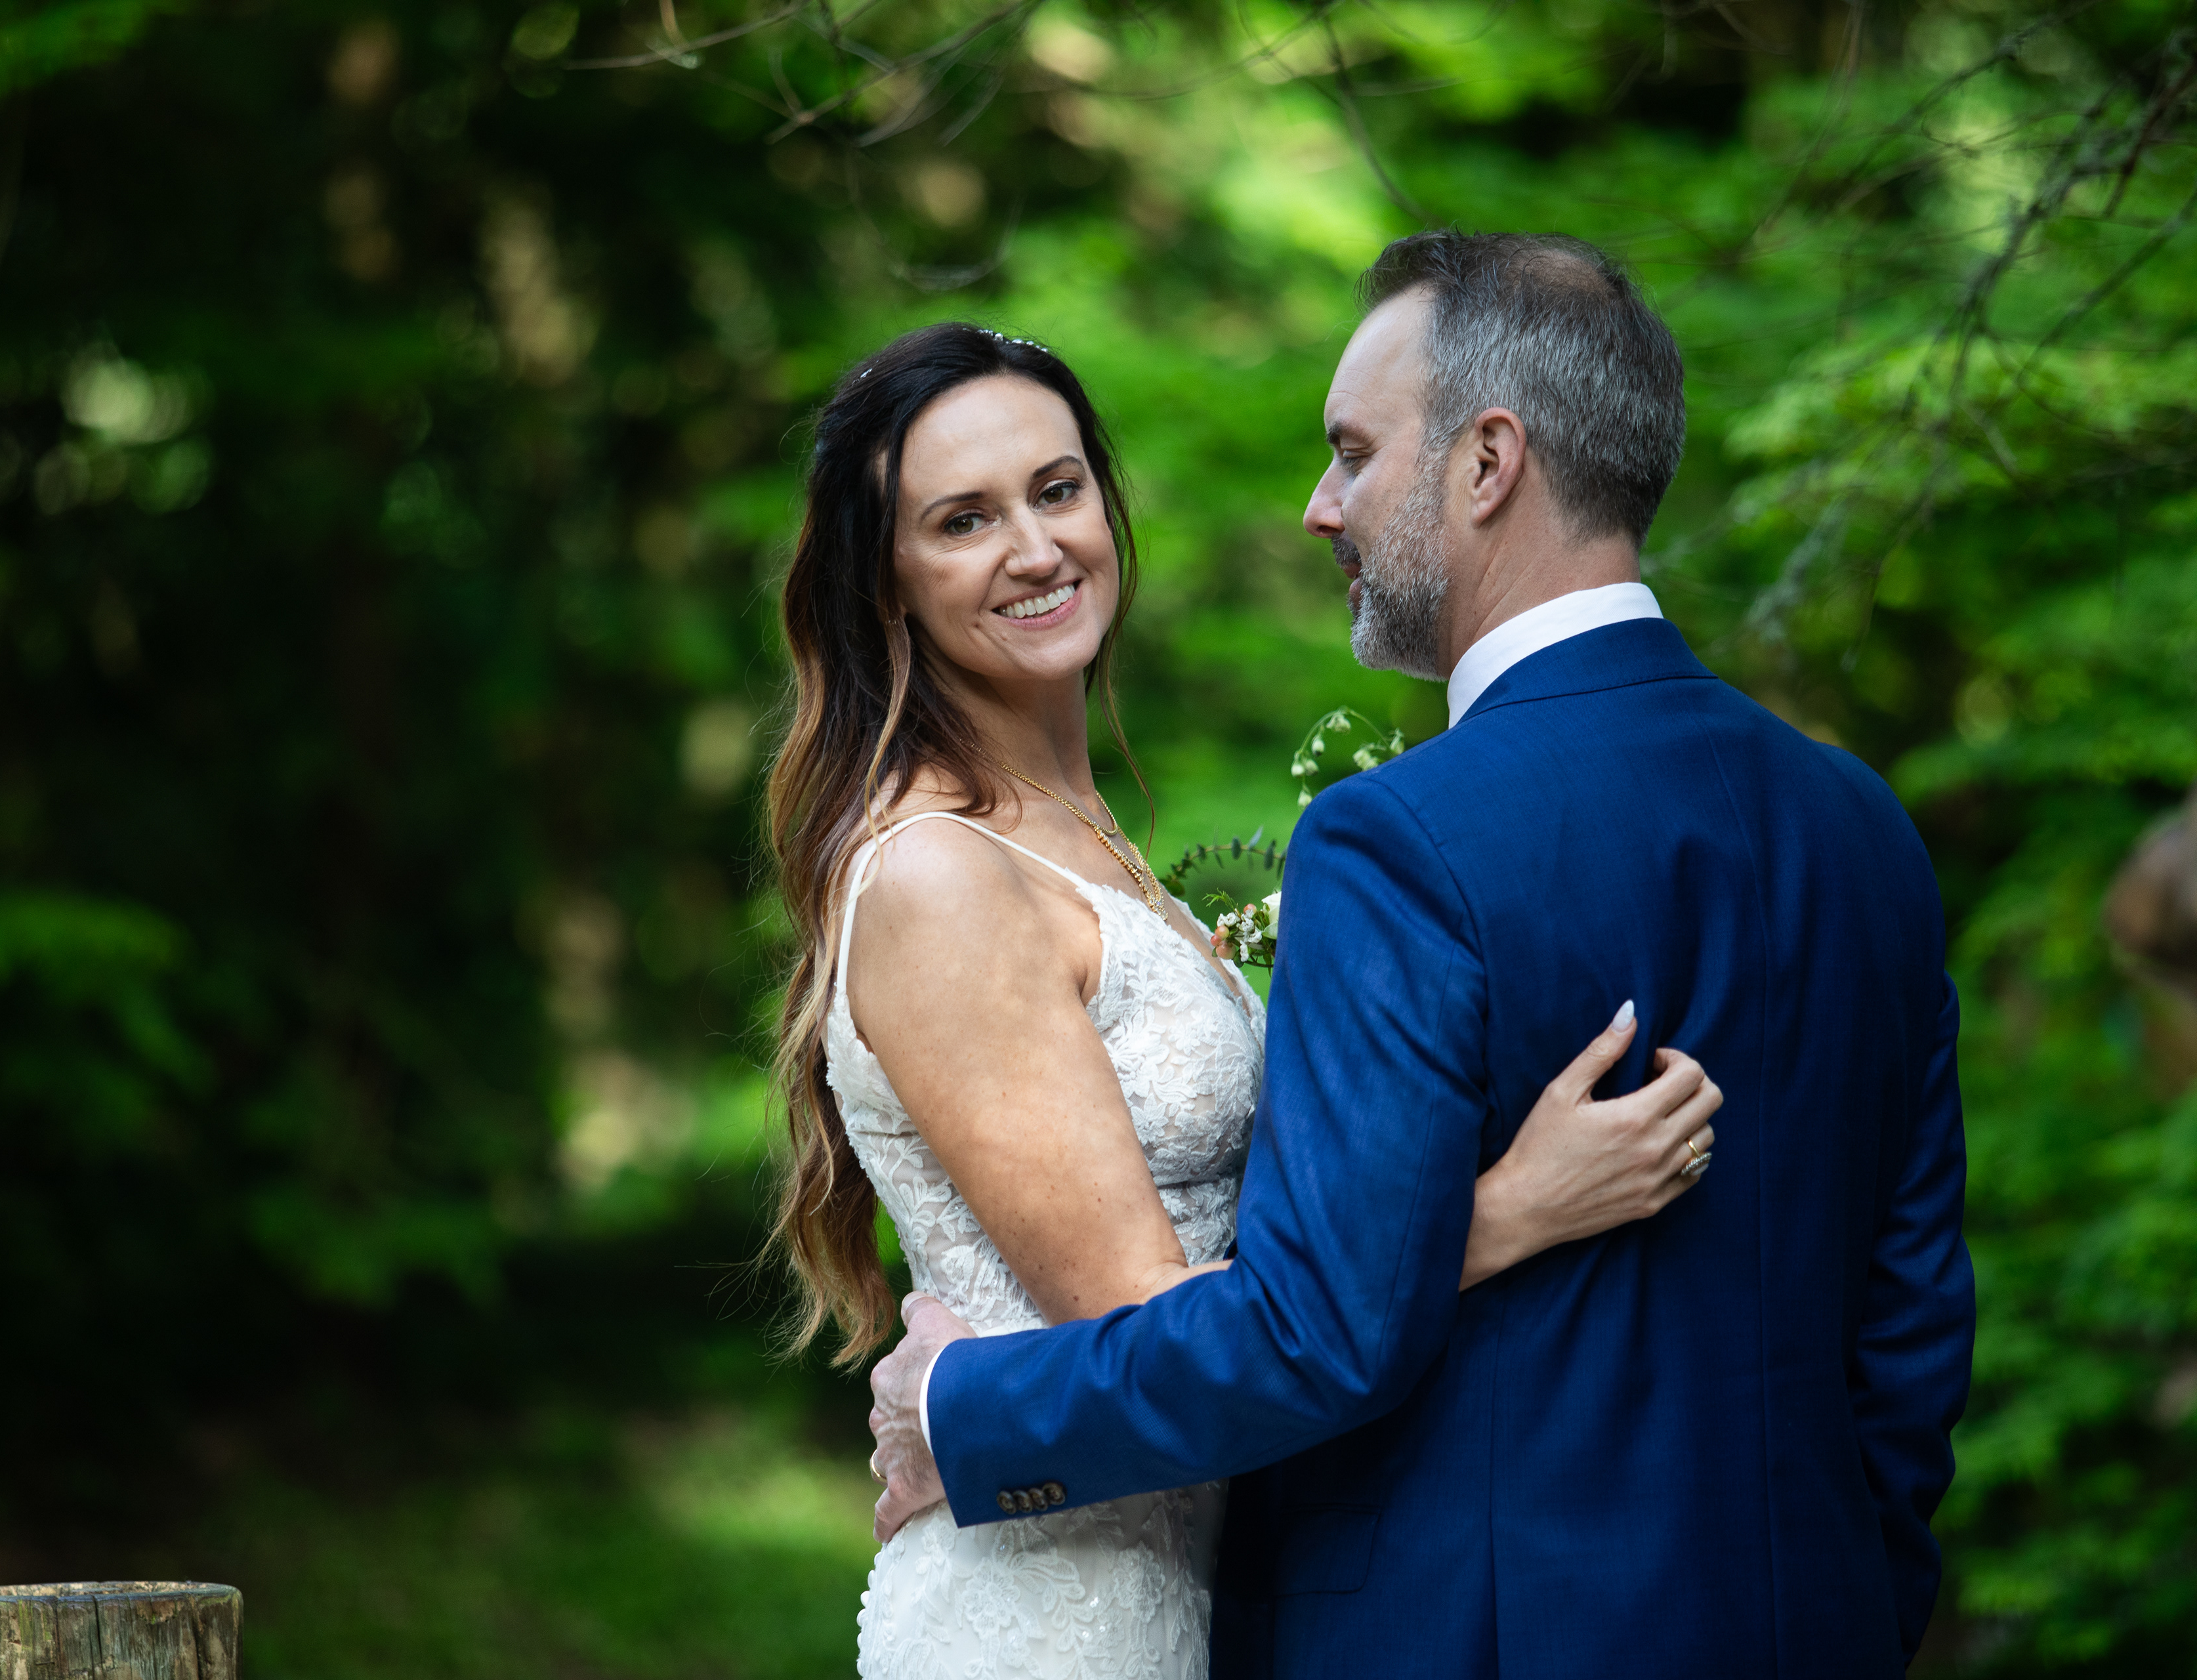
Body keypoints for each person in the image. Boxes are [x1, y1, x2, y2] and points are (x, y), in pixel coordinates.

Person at [864, 236, 1977, 1679]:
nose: (1322, 506)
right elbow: (1912, 1327)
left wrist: (967, 1412)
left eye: (1354, 451)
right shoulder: (1862, 829)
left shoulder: (1404, 843)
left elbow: (1319, 1330)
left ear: (1487, 462)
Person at [765, 317, 1726, 1680]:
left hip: (1209, 1577)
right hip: (1059, 1615)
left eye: (1057, 489)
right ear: (887, 586)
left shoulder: (1082, 838)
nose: (1036, 547)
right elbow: (1151, 1327)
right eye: (962, 521)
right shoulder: (939, 874)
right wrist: (1509, 1207)